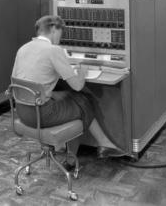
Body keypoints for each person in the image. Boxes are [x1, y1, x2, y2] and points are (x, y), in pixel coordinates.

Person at [12, 15, 125, 158]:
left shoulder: (23, 49)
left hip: (22, 112)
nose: (61, 36)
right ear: (53, 29)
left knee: (67, 95)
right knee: (83, 100)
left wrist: (52, 93)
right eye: (61, 32)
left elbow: (21, 82)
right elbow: (77, 85)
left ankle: (69, 152)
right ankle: (101, 145)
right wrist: (82, 71)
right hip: (41, 115)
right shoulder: (53, 50)